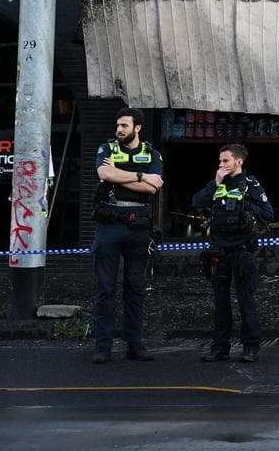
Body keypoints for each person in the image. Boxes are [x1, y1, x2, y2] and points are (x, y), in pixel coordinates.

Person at [91, 107, 164, 364]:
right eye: (118, 125)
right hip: (109, 225)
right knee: (105, 288)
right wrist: (142, 176)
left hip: (138, 228)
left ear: (138, 128)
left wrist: (119, 176)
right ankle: (103, 346)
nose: (119, 129)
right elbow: (104, 173)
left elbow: (154, 188)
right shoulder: (107, 148)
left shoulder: (152, 153)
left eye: (124, 125)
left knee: (135, 288)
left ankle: (135, 344)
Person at [192, 143, 273, 363]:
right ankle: (220, 348)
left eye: (226, 160)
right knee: (220, 303)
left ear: (239, 161)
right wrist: (215, 183)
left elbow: (268, 213)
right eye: (220, 161)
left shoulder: (250, 184)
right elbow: (196, 202)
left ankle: (250, 348)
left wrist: (242, 206)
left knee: (246, 300)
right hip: (218, 252)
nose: (221, 165)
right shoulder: (216, 184)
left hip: (242, 252)